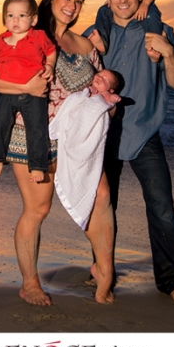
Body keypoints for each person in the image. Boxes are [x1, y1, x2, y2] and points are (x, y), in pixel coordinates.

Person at [0, 0, 116, 306]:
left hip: (77, 139)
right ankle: (29, 284)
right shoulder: (27, 36)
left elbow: (100, 87)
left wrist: (106, 106)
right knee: (38, 208)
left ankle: (105, 271)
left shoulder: (84, 45)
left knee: (100, 195)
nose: (73, 5)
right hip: (30, 134)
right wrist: (26, 88)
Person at [86, 0, 174, 304]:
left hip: (145, 131)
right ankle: (102, 272)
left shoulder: (158, 31)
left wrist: (168, 51)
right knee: (102, 207)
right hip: (102, 133)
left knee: (162, 206)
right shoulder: (94, 35)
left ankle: (171, 281)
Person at [0, 0, 57, 183]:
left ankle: (37, 165)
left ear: (33, 19)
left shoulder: (39, 37)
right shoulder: (0, 43)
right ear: (4, 19)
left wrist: (49, 65)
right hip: (9, 94)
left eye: (22, 15)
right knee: (1, 123)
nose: (15, 20)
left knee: (37, 129)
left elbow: (51, 52)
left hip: (34, 96)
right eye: (10, 15)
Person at [49, 69, 122, 231]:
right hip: (72, 132)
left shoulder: (105, 96)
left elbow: (110, 103)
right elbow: (73, 103)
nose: (99, 77)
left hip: (84, 138)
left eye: (104, 79)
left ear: (110, 89)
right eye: (99, 74)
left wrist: (109, 99)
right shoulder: (87, 91)